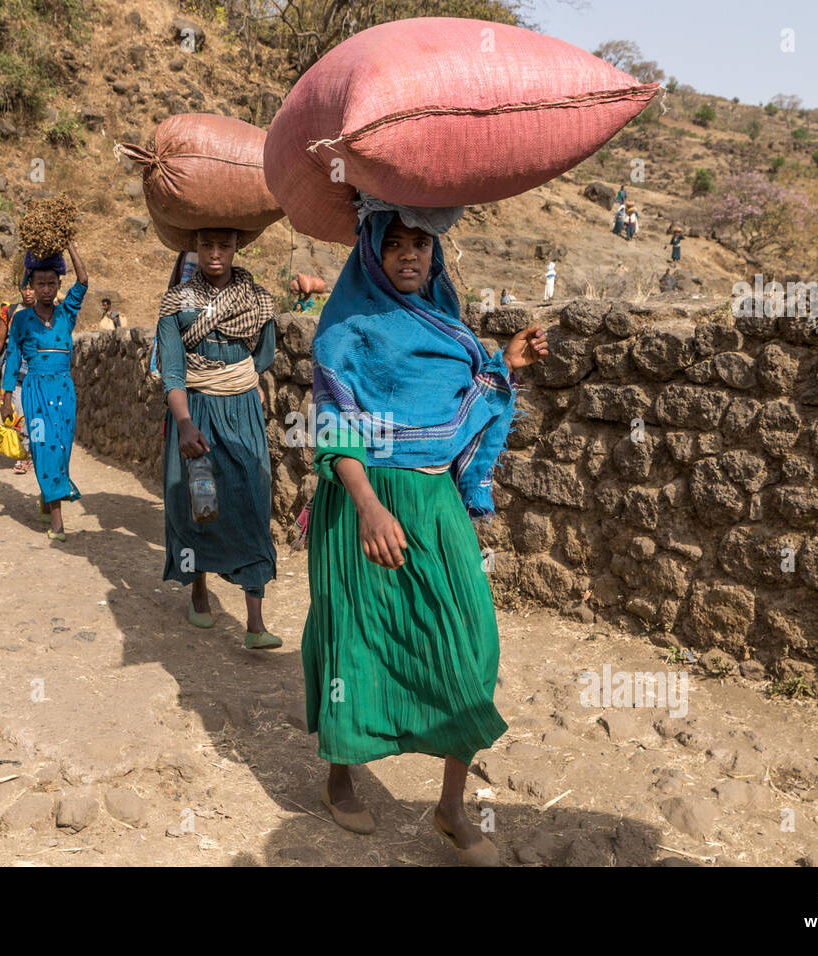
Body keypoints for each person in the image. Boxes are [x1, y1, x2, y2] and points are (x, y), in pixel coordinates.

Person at [303, 193, 548, 866]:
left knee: (470, 643)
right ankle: (341, 775)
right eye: (395, 243)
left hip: (434, 502)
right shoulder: (346, 326)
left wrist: (506, 364)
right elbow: (335, 424)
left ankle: (449, 806)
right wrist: (368, 505)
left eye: (421, 243)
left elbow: (463, 403)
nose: (410, 254)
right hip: (361, 503)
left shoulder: (446, 324)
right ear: (371, 253)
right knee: (356, 640)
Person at [156, 228, 280, 649]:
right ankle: (198, 591)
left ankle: (255, 623)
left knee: (252, 497)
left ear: (236, 248)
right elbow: (172, 370)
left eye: (223, 245)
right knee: (197, 502)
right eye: (206, 245)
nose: (214, 254)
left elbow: (262, 356)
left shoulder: (259, 301)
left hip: (242, 408)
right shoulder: (177, 303)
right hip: (195, 410)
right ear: (194, 247)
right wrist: (185, 422)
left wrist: (238, 378)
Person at [0, 243, 88, 540]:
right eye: (40, 284)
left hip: (64, 391)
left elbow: (84, 281)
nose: (47, 289)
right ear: (31, 287)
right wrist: (6, 399)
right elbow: (12, 357)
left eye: (52, 283)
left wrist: (69, 245)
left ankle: (48, 494)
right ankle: (57, 522)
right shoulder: (22, 320)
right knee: (41, 447)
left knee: (60, 450)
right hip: (34, 392)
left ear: (58, 285)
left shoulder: (67, 314)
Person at [0, 282, 37, 474]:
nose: (29, 292)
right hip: (14, 368)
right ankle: (23, 455)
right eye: (26, 288)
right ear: (20, 290)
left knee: (36, 415)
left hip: (37, 369)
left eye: (33, 288)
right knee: (18, 413)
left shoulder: (47, 311)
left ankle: (35, 454)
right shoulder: (10, 312)